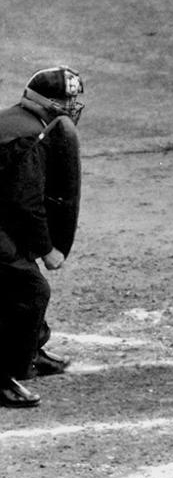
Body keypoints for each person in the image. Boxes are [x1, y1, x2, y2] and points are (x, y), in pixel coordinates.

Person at [0, 66, 84, 408]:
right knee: (29, 290)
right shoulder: (29, 137)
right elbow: (27, 203)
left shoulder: (18, 122)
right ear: (46, 102)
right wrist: (48, 249)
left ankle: (32, 350)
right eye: (66, 101)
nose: (72, 107)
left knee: (19, 270)